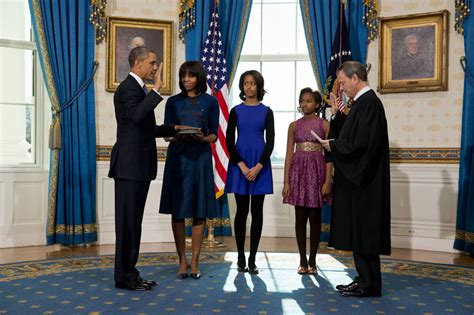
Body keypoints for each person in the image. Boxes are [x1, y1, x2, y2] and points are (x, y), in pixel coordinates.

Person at [108, 46, 179, 291]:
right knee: (127, 224)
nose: (155, 67)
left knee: (133, 223)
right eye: (152, 62)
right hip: (129, 167)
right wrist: (157, 90)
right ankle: (124, 277)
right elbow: (137, 116)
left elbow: (144, 128)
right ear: (138, 64)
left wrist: (172, 129)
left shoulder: (138, 89)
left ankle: (131, 273)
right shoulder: (126, 89)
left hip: (139, 166)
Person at [317, 61, 391, 297]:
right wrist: (336, 138)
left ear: (355, 78)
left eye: (343, 82)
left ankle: (370, 284)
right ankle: (363, 279)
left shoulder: (369, 103)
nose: (341, 88)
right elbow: (351, 136)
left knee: (365, 232)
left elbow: (362, 144)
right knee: (360, 232)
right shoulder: (361, 104)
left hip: (366, 182)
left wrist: (333, 145)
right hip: (359, 181)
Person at [159, 61, 219, 280]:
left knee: (199, 209)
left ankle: (195, 260)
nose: (186, 80)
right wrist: (177, 134)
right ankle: (182, 260)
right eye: (183, 76)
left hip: (200, 159)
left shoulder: (211, 102)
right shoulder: (173, 102)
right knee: (178, 210)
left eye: (191, 76)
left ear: (199, 78)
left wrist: (202, 137)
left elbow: (214, 135)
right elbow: (166, 133)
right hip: (178, 159)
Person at [225, 70, 274, 274]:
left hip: (260, 166)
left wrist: (258, 167)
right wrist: (243, 166)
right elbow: (229, 141)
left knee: (257, 212)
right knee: (241, 212)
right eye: (246, 83)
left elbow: (270, 142)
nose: (249, 86)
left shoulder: (267, 111)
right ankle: (240, 256)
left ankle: (253, 258)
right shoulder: (235, 111)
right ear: (242, 87)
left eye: (253, 83)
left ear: (259, 86)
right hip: (240, 165)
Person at [282, 88, 333, 275]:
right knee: (300, 218)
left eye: (309, 101)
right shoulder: (294, 126)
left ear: (317, 104)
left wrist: (328, 181)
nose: (305, 104)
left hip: (317, 174)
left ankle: (313, 259)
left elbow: (330, 156)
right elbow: (289, 154)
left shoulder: (325, 125)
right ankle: (302, 259)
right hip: (298, 174)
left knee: (315, 218)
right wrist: (286, 182)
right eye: (302, 101)